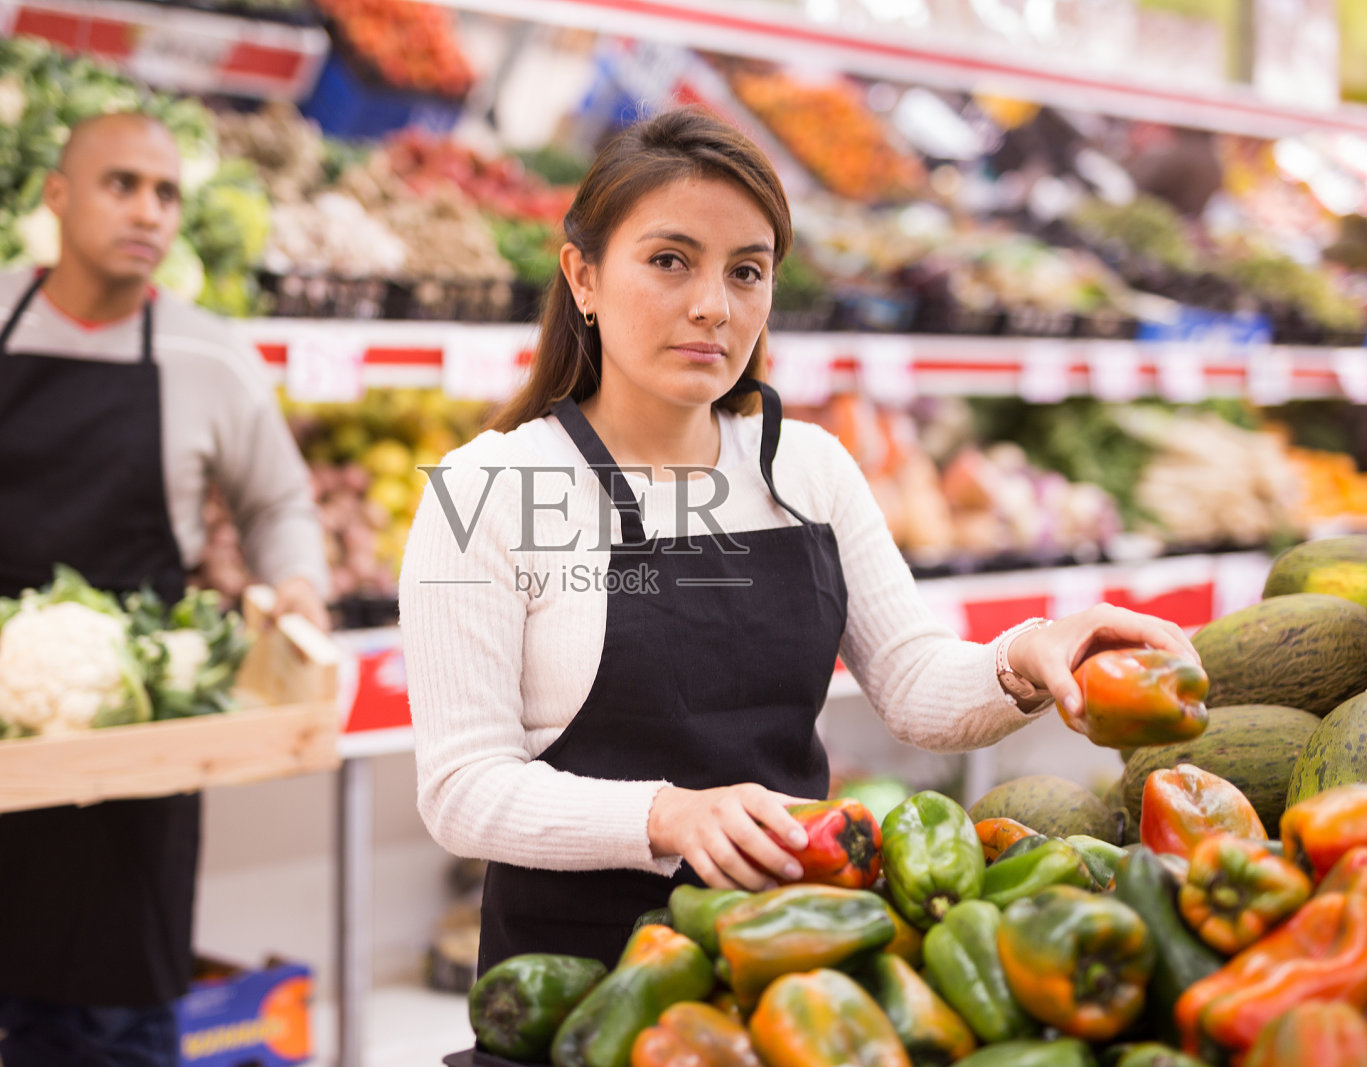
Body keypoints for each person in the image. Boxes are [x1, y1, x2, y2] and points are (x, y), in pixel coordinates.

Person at [400, 106, 1202, 974]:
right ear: (583, 277)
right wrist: (666, 815)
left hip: (792, 967)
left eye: (747, 271)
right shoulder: (487, 490)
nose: (713, 306)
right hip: (579, 991)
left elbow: (915, 685)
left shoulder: (807, 467)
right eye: (670, 261)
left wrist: (1025, 655)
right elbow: (462, 790)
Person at [0, 112, 327, 1066]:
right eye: (120, 184)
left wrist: (295, 579)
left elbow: (280, 502)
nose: (149, 211)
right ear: (56, 195)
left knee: (129, 1018)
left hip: (145, 727)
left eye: (167, 193)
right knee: (19, 1012)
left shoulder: (211, 355)